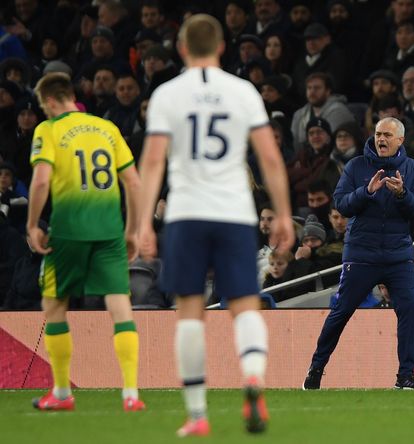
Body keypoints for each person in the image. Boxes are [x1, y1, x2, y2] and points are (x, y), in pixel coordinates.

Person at [137, 14, 294, 436]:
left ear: (182, 49)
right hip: (235, 213)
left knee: (188, 311)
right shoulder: (242, 91)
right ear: (222, 47)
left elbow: (152, 161)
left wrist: (141, 221)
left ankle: (197, 414)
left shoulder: (168, 94)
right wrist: (281, 213)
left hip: (186, 213)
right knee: (244, 304)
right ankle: (254, 376)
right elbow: (271, 158)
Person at [26, 73, 145, 412]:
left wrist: (33, 224)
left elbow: (40, 181)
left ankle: (62, 394)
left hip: (67, 232)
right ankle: (131, 394)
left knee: (54, 306)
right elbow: (133, 184)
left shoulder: (48, 130)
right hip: (109, 231)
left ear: (50, 101)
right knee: (120, 305)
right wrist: (132, 230)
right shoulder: (106, 128)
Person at [303, 117, 414, 390]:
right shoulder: (356, 166)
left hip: (398, 254)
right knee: (341, 311)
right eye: (378, 134)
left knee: (409, 309)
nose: (381, 139)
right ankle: (316, 368)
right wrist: (367, 191)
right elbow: (341, 204)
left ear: (400, 140)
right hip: (361, 254)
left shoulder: (412, 169)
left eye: (387, 135)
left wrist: (402, 194)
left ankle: (405, 376)